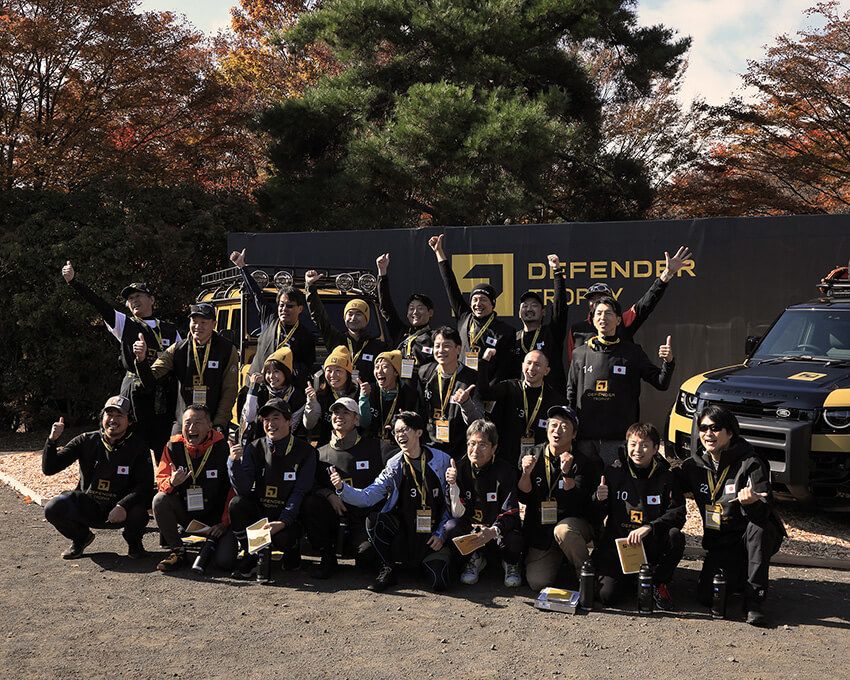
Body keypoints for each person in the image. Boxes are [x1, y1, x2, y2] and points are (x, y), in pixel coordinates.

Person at [675, 405, 786, 626]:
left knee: (759, 528)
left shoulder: (751, 462)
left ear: (730, 432)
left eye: (715, 428)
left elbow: (765, 510)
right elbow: (665, 481)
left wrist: (752, 503)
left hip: (748, 538)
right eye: (703, 428)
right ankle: (740, 576)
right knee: (707, 597)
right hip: (721, 542)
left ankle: (754, 601)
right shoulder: (694, 466)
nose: (708, 433)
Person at [61, 262, 180, 456]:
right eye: (130, 298)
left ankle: (164, 475)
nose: (134, 301)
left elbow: (183, 359)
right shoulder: (125, 324)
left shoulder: (170, 329)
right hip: (134, 391)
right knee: (132, 443)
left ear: (151, 299)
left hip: (162, 392)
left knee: (164, 444)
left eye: (138, 296)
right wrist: (74, 282)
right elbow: (99, 304)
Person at [330, 411, 453, 593]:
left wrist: (441, 533)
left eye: (404, 430)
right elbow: (368, 497)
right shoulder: (394, 465)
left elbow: (451, 505)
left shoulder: (441, 460)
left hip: (433, 538)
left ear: (419, 432)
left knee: (439, 584)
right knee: (374, 521)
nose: (399, 435)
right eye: (396, 432)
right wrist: (342, 488)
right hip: (405, 534)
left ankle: (436, 563)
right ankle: (388, 569)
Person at [567, 296, 674, 468]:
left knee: (616, 483)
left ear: (618, 320)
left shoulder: (632, 352)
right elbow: (571, 393)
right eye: (598, 313)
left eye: (608, 313)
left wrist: (668, 362)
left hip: (619, 438)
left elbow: (660, 382)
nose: (603, 318)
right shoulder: (579, 353)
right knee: (585, 483)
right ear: (593, 320)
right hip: (585, 439)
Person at [42, 396, 153, 560]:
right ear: (102, 417)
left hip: (121, 509)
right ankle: (81, 538)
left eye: (119, 415)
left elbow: (145, 485)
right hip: (90, 504)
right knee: (53, 507)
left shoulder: (138, 446)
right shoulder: (85, 440)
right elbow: (50, 468)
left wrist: (123, 505)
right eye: (109, 414)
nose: (113, 420)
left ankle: (134, 543)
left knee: (139, 510)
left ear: (129, 421)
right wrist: (52, 441)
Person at [591, 423, 686, 609]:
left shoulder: (666, 476)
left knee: (676, 536)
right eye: (633, 444)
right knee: (606, 596)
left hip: (651, 546)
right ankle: (632, 579)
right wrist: (598, 499)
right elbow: (595, 515)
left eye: (644, 445)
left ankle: (658, 582)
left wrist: (650, 527)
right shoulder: (613, 472)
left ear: (656, 448)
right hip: (620, 546)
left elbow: (678, 513)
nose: (637, 450)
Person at [227, 398, 321, 582]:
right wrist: (233, 463)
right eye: (266, 419)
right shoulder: (254, 447)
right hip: (261, 514)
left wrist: (284, 521)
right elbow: (243, 490)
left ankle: (292, 550)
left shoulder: (306, 451)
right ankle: (253, 553)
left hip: (288, 517)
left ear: (289, 421)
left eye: (276, 418)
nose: (270, 424)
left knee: (283, 538)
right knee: (237, 504)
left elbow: (300, 491)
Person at [567, 246, 693, 362]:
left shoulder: (622, 321)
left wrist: (666, 275)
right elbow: (573, 365)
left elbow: (645, 305)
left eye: (601, 298)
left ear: (611, 303)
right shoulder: (577, 330)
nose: (596, 302)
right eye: (592, 298)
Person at [519, 406, 597, 592]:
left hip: (573, 525)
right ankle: (561, 561)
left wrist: (567, 474)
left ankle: (586, 577)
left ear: (574, 434)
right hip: (541, 530)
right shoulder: (532, 454)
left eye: (564, 426)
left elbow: (578, 501)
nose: (557, 430)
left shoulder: (582, 461)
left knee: (563, 531)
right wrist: (526, 474)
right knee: (537, 582)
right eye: (553, 425)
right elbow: (523, 496)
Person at [305, 397, 385, 578]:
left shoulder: (376, 447)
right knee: (311, 503)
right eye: (336, 412)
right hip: (334, 518)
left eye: (346, 413)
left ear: (356, 419)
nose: (339, 416)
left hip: (363, 519)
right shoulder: (320, 453)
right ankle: (327, 557)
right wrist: (328, 494)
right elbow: (310, 484)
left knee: (366, 556)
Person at [152, 405, 238, 574]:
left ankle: (215, 544)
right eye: (187, 423)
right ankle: (178, 551)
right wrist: (172, 482)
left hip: (217, 520)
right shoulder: (172, 446)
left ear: (209, 425)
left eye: (198, 422)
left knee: (225, 562)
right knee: (160, 499)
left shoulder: (224, 447)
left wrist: (224, 523)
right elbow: (161, 481)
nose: (191, 427)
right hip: (188, 516)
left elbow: (234, 490)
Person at [134, 303, 239, 433]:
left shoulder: (227, 350)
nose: (197, 327)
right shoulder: (177, 349)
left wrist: (219, 422)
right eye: (194, 322)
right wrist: (141, 360)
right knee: (173, 446)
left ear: (213, 324)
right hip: (183, 421)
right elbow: (150, 378)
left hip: (213, 421)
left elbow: (230, 390)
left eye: (203, 322)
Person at [444, 419, 523, 587]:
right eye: (472, 444)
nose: (475, 450)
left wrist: (493, 530)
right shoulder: (459, 468)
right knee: (451, 527)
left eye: (482, 445)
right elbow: (456, 513)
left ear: (494, 448)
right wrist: (453, 485)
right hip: (472, 531)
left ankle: (510, 563)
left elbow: (511, 512)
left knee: (515, 537)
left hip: (496, 532)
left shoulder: (506, 471)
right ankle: (474, 559)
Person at [428, 234, 517, 381]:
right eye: (474, 300)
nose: (478, 304)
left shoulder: (505, 331)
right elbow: (450, 284)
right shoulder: (464, 316)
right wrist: (439, 252)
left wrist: (488, 389)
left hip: (487, 387)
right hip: (459, 382)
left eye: (483, 300)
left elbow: (505, 369)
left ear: (493, 304)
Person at [228, 249, 315, 386]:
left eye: (289, 306)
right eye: (281, 305)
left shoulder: (306, 336)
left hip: (285, 391)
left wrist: (283, 372)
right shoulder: (269, 319)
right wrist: (242, 267)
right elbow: (256, 295)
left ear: (300, 309)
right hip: (257, 386)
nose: (284, 309)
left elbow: (306, 369)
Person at [476, 348, 562, 464]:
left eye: (537, 365)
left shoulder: (554, 399)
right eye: (528, 363)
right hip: (506, 459)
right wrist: (484, 361)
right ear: (522, 366)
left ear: (546, 371)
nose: (531, 368)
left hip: (538, 461)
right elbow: (484, 393)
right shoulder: (510, 387)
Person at [304, 268, 387, 383]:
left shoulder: (378, 346)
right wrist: (310, 287)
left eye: (359, 314)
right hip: (339, 392)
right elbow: (319, 318)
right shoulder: (336, 339)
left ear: (367, 319)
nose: (353, 318)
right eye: (350, 314)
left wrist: (371, 389)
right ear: (344, 318)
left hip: (365, 393)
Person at [416, 326, 483, 458]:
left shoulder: (472, 378)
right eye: (437, 346)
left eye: (446, 346)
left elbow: (478, 423)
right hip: (430, 447)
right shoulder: (425, 373)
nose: (441, 350)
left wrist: (466, 403)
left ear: (458, 349)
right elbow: (419, 410)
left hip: (461, 449)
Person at [375, 252, 435, 378]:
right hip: (398, 385)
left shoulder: (435, 338)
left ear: (430, 313)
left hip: (423, 386)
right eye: (411, 308)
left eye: (420, 308)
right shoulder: (400, 332)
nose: (415, 312)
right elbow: (386, 307)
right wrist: (382, 272)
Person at [515, 254, 569, 391]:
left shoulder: (552, 333)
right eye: (525, 306)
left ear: (543, 312)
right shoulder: (514, 339)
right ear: (519, 313)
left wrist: (557, 272)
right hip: (522, 398)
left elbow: (560, 308)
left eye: (534, 305)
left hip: (551, 397)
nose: (529, 309)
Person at [239, 346, 314, 442]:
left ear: (286, 373)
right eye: (268, 372)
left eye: (276, 372)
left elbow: (293, 426)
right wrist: (253, 389)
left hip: (286, 442)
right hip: (259, 441)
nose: (271, 376)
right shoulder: (260, 391)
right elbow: (249, 417)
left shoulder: (297, 396)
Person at [360, 350, 419, 452]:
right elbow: (364, 423)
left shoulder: (407, 393)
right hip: (372, 444)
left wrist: (402, 423)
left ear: (396, 372)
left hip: (398, 446)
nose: (379, 371)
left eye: (385, 367)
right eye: (377, 367)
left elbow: (415, 425)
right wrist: (364, 398)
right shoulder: (370, 390)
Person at [307, 346, 361, 447]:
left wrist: (364, 399)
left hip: (355, 445)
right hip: (326, 446)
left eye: (338, 370)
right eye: (329, 370)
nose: (333, 375)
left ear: (347, 373)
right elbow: (309, 425)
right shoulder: (320, 395)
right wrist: (311, 403)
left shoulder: (358, 393)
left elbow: (363, 423)